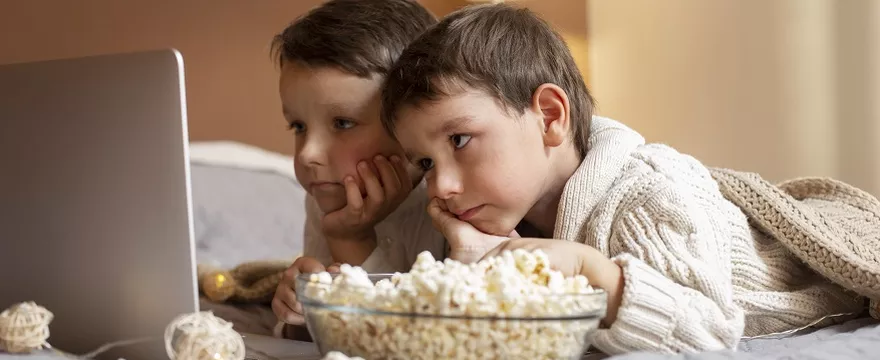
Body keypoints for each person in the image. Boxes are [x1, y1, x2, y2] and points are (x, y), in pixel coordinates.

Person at [380, 3, 866, 355]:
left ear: (550, 117)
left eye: (460, 141)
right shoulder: (495, 213)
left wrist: (593, 271)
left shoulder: (647, 196)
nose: (440, 186)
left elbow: (710, 332)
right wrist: (475, 256)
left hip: (789, 269)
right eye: (424, 163)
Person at [269, 0, 446, 333]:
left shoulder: (448, 200)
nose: (308, 154)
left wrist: (350, 239)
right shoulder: (328, 197)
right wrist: (301, 313)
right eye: (298, 126)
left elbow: (411, 337)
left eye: (342, 123)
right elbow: (334, 333)